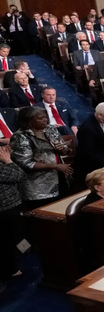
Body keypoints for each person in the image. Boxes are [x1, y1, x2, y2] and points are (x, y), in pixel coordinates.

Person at [10, 107, 73, 207]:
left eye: (45, 117)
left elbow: (67, 150)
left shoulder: (50, 129)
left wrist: (62, 149)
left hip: (60, 177)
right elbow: (25, 163)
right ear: (29, 121)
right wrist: (55, 166)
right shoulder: (20, 137)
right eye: (40, 118)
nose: (45, 120)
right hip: (38, 187)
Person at [0, 144, 25, 282]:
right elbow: (18, 175)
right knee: (7, 240)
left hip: (8, 206)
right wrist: (8, 160)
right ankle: (11, 270)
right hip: (5, 207)